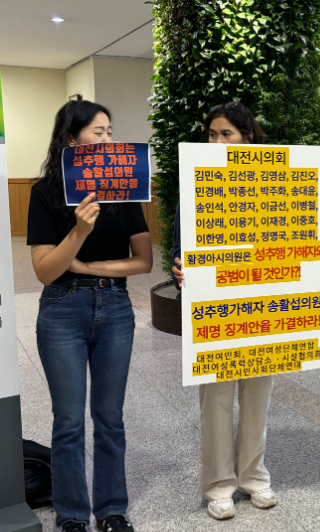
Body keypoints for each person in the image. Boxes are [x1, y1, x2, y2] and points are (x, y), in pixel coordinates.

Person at [27, 101, 153, 532]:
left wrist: (88, 268)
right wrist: (79, 229)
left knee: (110, 417)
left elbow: (142, 261)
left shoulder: (126, 187)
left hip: (116, 308)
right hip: (62, 310)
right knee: (68, 422)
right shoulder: (45, 191)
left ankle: (112, 509)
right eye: (98, 132)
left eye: (110, 131)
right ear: (71, 139)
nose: (108, 140)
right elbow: (45, 270)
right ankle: (72, 515)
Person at [172, 102, 278, 520]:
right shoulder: (194, 180)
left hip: (261, 303)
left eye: (226, 133)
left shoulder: (274, 180)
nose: (216, 141)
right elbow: (183, 244)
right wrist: (181, 266)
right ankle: (218, 483)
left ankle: (254, 476)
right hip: (215, 304)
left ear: (248, 137)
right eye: (212, 134)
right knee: (215, 395)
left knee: (258, 395)